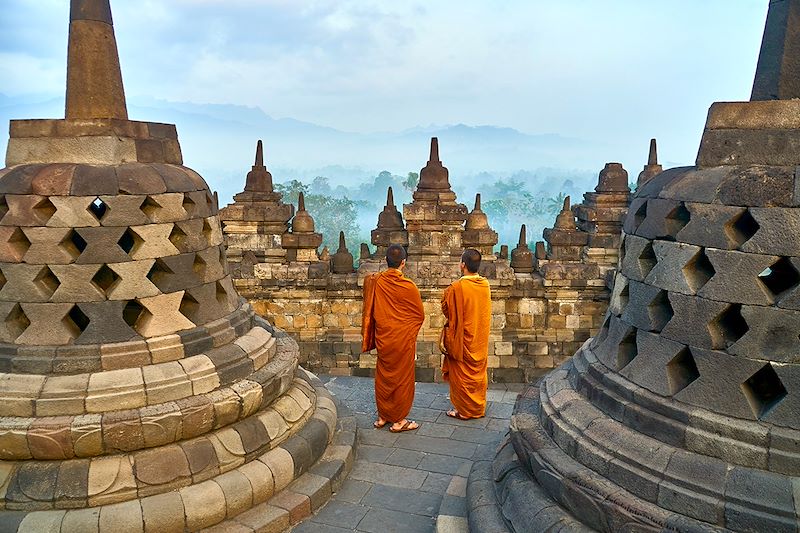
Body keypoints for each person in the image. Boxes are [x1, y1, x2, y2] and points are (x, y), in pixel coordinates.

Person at [362, 244, 425, 432]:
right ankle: (399, 421)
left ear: (386, 261)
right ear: (403, 263)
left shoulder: (376, 281)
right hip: (402, 340)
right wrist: (406, 333)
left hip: (384, 337)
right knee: (402, 379)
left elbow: (370, 309)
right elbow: (419, 316)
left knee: (384, 377)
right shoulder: (408, 286)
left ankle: (383, 416)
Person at [440, 248, 491, 419]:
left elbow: (446, 310)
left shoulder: (456, 288)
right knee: (477, 373)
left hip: (462, 339)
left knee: (461, 373)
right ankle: (477, 407)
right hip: (479, 338)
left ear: (462, 265)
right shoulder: (485, 285)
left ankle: (464, 410)